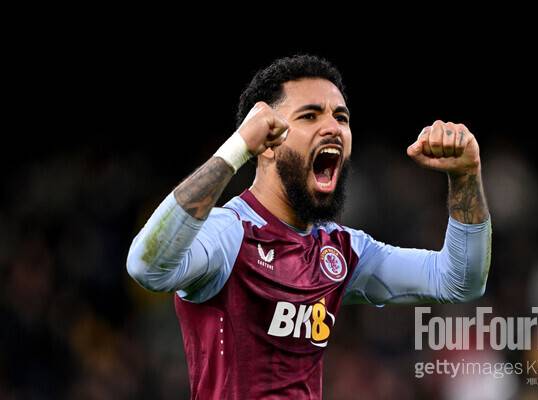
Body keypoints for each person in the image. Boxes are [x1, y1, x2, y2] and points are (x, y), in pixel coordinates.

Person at [126, 54, 492, 399]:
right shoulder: (229, 234)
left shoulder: (342, 251)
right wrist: (236, 148)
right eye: (310, 116)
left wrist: (466, 177)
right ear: (266, 142)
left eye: (341, 117)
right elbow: (146, 267)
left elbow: (459, 280)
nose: (333, 128)